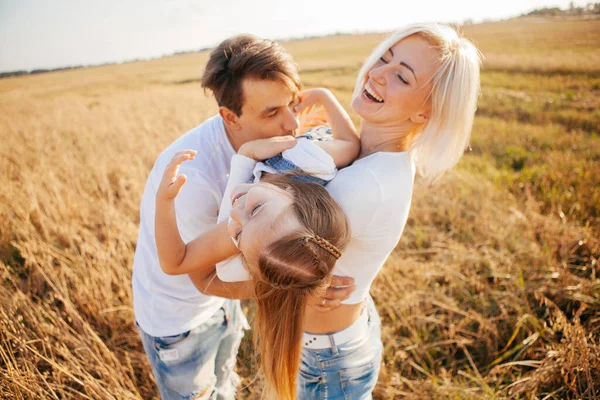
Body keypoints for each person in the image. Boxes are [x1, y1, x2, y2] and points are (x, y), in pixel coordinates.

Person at [184, 22, 481, 399]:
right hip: (342, 339)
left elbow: (227, 266)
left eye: (402, 77)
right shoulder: (378, 159)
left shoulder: (356, 188)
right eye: (384, 59)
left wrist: (245, 163)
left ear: (427, 112)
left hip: (327, 358)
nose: (377, 74)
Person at [131, 35, 355, 400]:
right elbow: (201, 278)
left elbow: (345, 148)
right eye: (272, 113)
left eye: (292, 105)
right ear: (229, 117)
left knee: (226, 384)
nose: (291, 124)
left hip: (225, 301)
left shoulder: (281, 147)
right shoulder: (195, 178)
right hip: (179, 322)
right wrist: (298, 286)